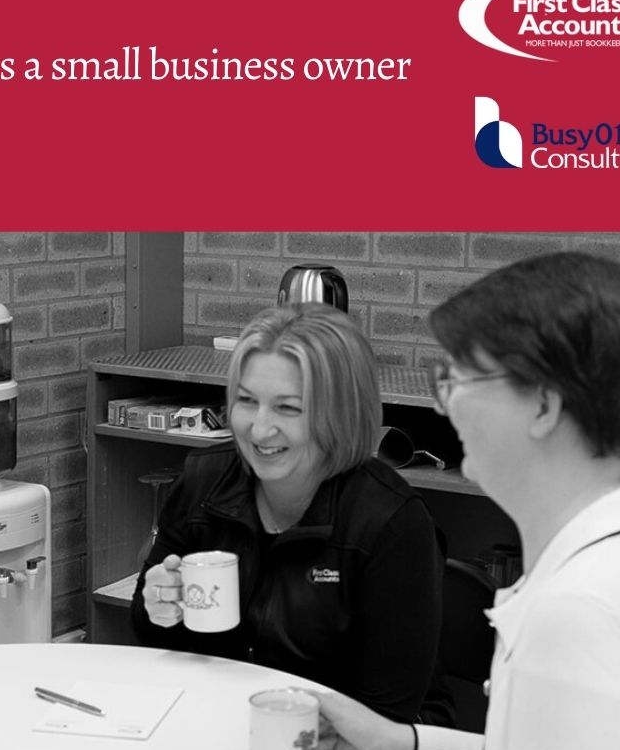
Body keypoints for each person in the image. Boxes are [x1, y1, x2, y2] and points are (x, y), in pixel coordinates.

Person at [316, 251, 620, 750]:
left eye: (461, 377)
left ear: (544, 407)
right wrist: (396, 747)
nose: (445, 404)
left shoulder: (580, 610)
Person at [131, 304, 445, 723]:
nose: (259, 430)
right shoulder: (204, 480)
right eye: (246, 401)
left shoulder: (390, 522)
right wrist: (158, 605)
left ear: (339, 413)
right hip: (223, 726)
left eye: (288, 408)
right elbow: (148, 630)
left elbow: (387, 715)